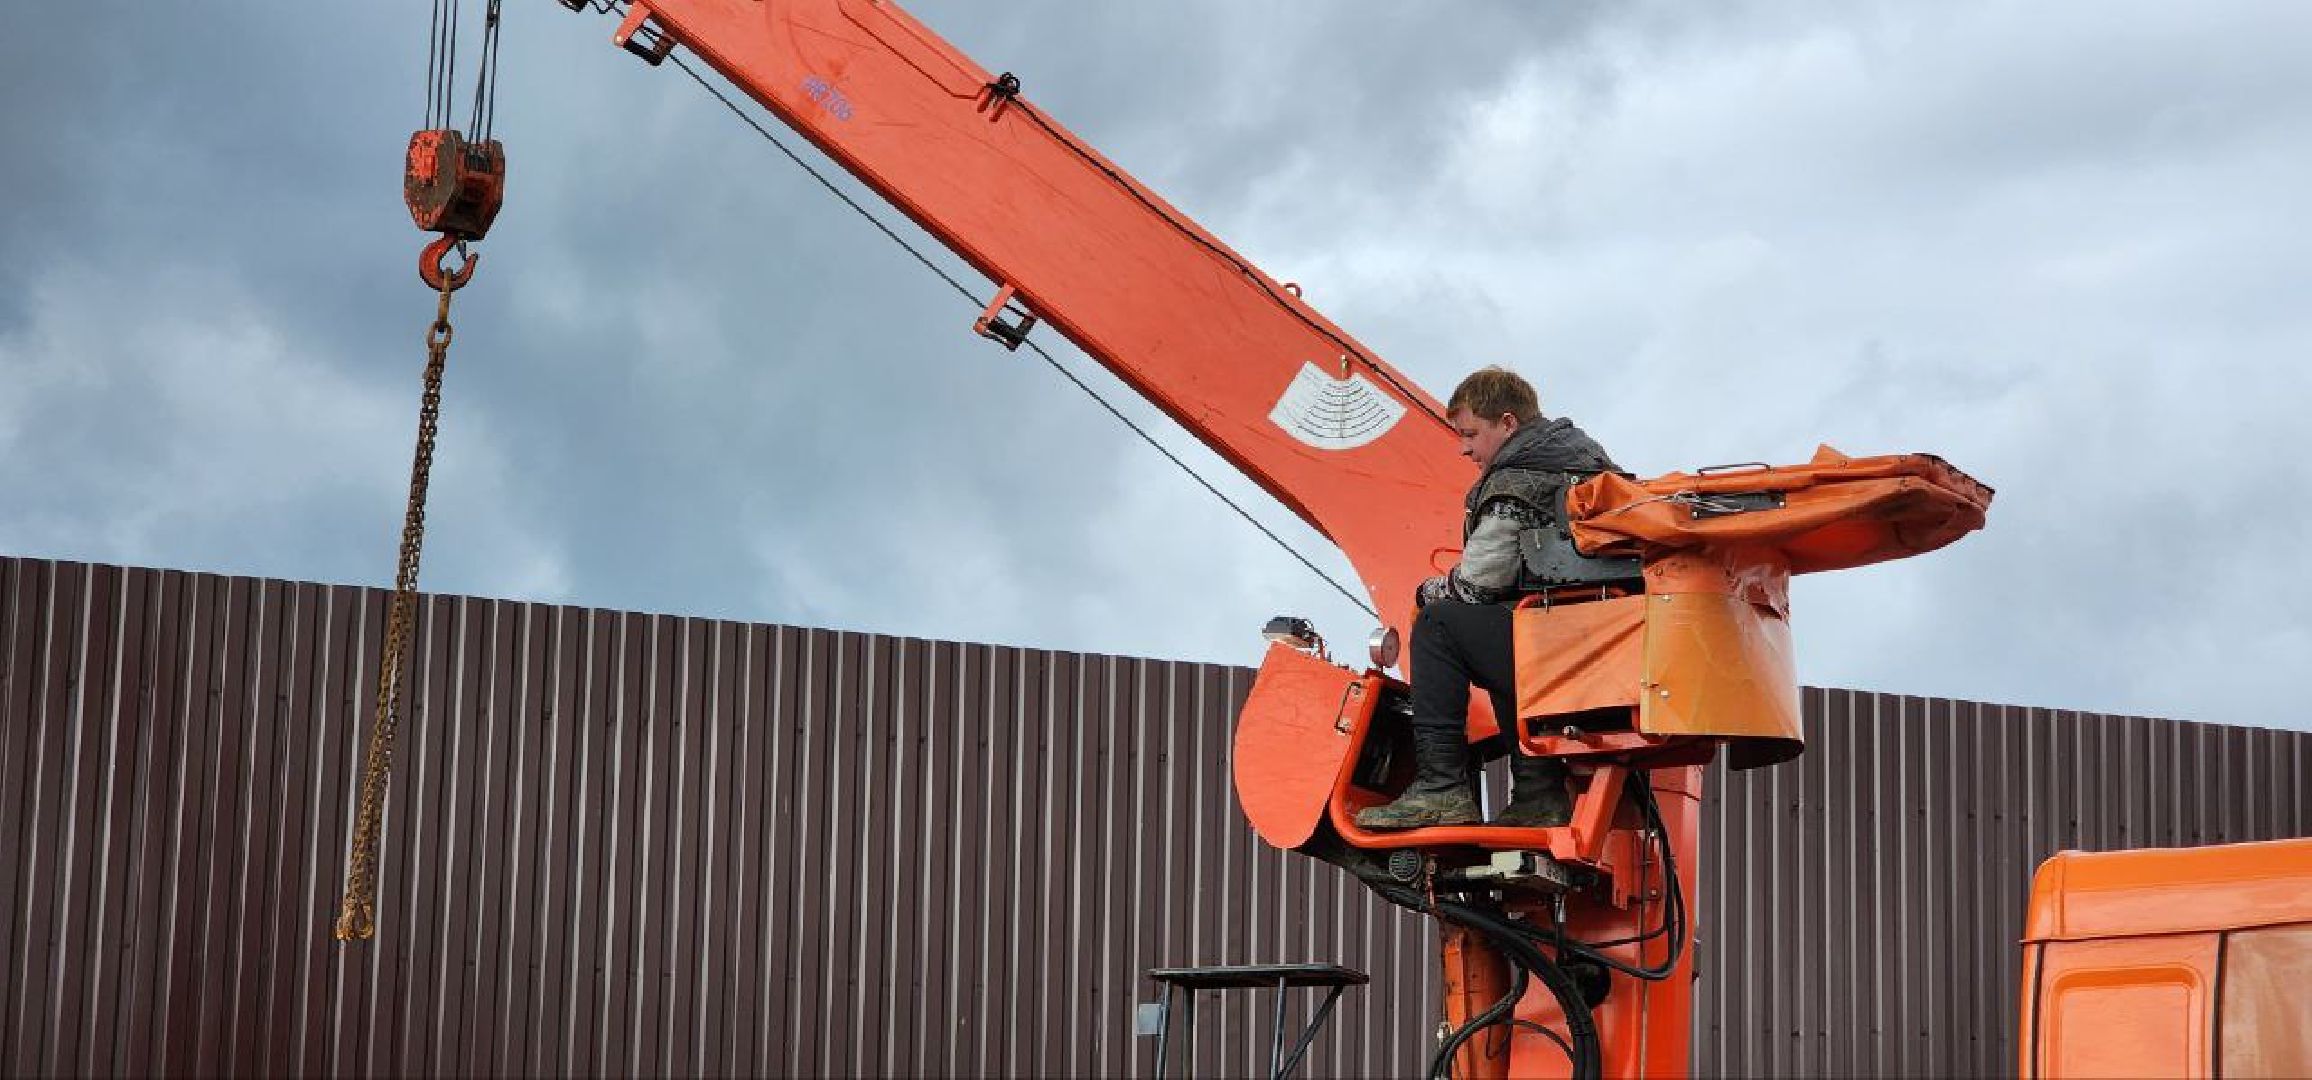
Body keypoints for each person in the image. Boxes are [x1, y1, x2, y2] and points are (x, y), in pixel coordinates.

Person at [1355, 366, 1621, 830]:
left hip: (1562, 654)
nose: (1464, 448)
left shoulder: (1516, 482)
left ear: (1508, 423)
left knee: (1442, 624)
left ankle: (1440, 790)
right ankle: (1539, 795)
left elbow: (1475, 584)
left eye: (1472, 434)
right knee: (1504, 629)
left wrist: (1425, 592)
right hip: (1598, 650)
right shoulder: (1588, 463)